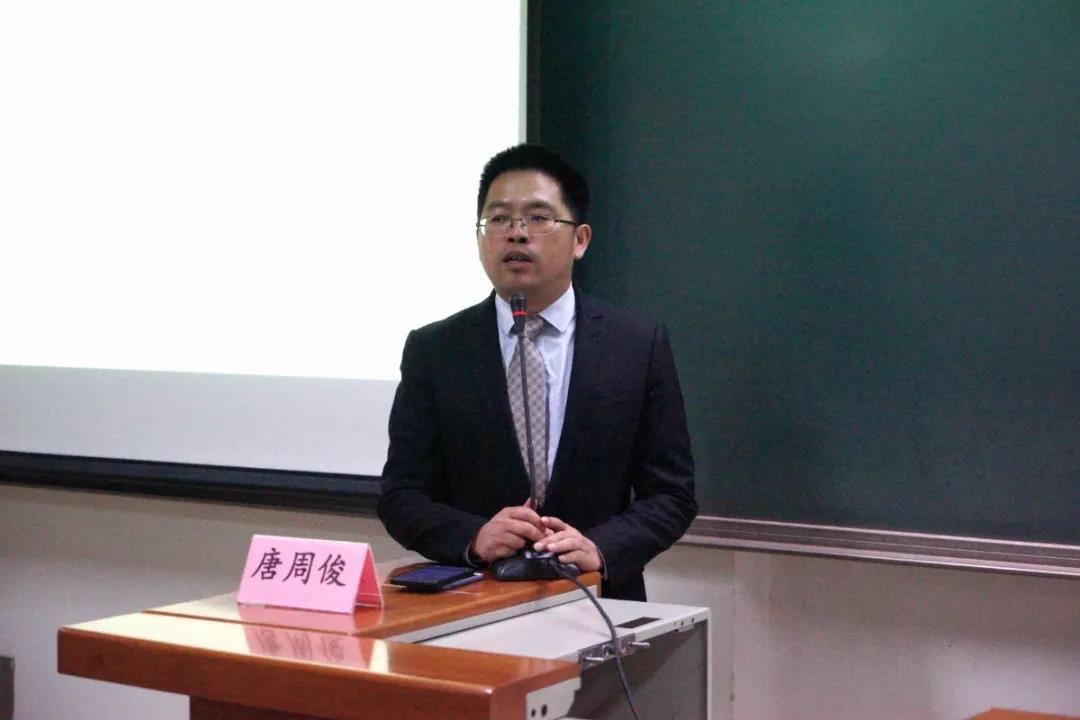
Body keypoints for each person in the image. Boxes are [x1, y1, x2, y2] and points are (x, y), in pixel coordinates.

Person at [377, 144, 696, 600]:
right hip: (473, 606)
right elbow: (402, 495)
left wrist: (600, 548)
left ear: (580, 239)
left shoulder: (637, 345)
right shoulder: (435, 349)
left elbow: (671, 494)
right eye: (499, 219)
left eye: (538, 217)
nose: (516, 234)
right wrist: (474, 536)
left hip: (601, 603)